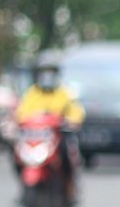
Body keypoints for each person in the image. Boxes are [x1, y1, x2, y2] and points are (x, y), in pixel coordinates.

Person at [14, 53, 85, 198]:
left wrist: (72, 121)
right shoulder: (32, 93)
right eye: (44, 72)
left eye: (50, 72)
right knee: (16, 153)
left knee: (68, 155)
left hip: (57, 137)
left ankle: (69, 188)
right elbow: (21, 112)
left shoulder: (64, 93)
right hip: (36, 138)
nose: (47, 76)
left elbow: (75, 110)